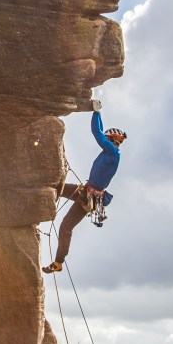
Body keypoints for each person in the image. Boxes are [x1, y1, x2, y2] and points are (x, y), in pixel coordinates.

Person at [43, 99, 126, 273]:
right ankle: (42, 205)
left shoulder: (112, 152)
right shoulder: (112, 152)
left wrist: (95, 113)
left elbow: (97, 133)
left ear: (111, 140)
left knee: (66, 227)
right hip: (86, 191)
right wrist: (99, 113)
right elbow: (101, 132)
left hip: (89, 198)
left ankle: (58, 263)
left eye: (108, 139)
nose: (106, 140)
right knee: (58, 188)